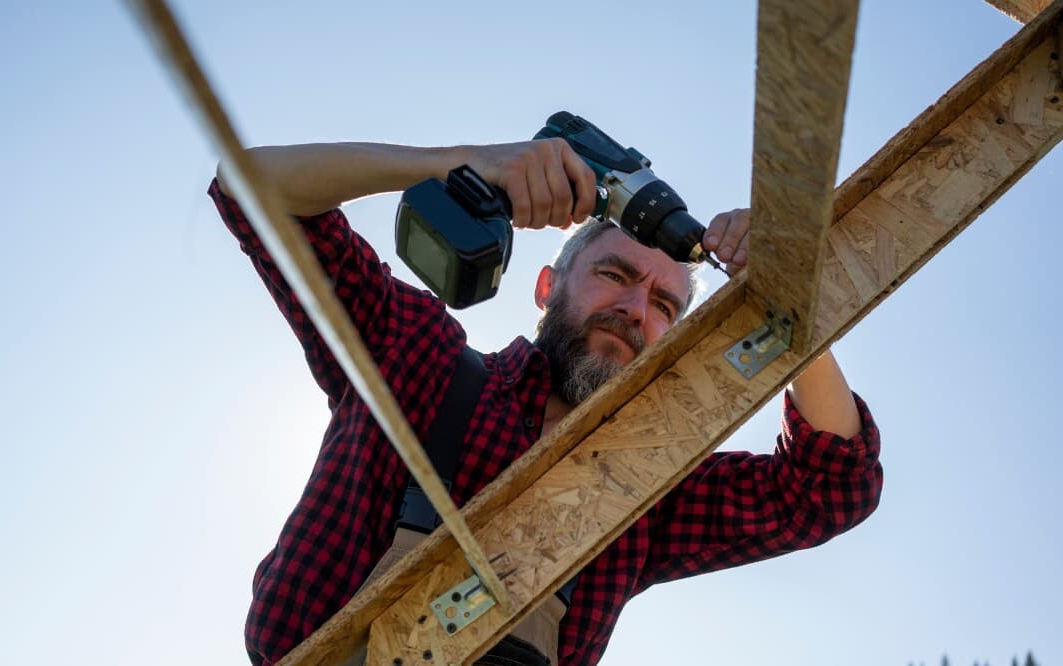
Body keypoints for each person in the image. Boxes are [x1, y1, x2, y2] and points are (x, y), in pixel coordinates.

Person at [208, 138, 882, 666]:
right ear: (546, 285)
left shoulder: (645, 487)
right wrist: (464, 164)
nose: (633, 309)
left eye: (664, 305)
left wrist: (785, 301)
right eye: (615, 274)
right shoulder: (415, 359)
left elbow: (831, 488)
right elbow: (253, 190)